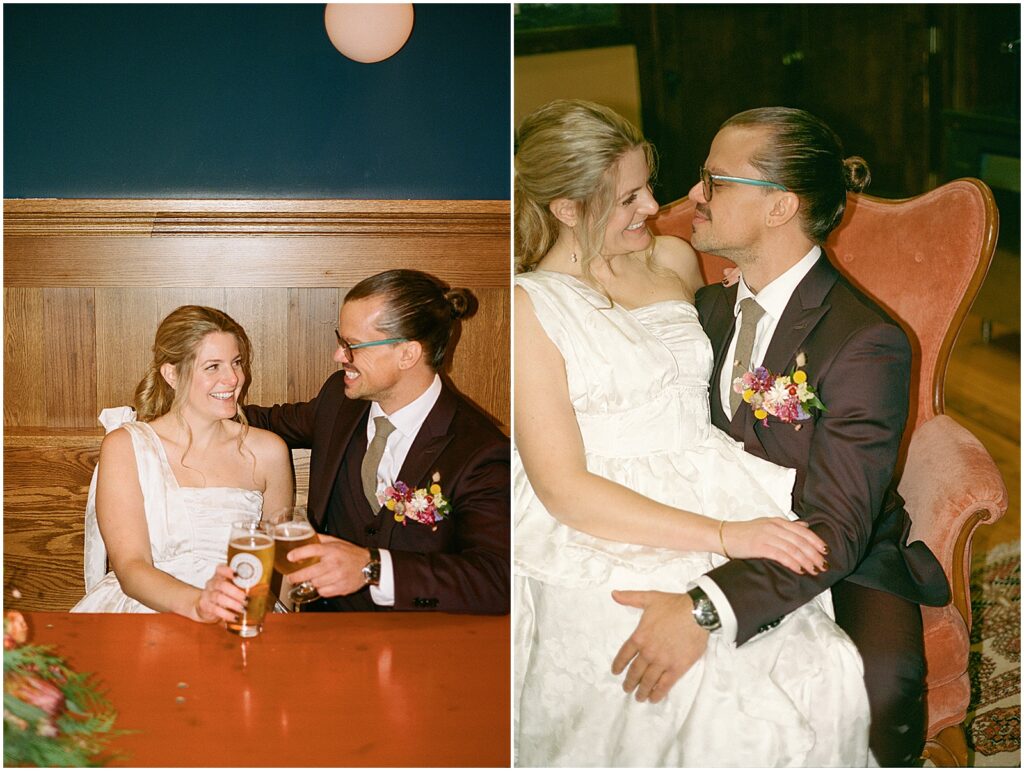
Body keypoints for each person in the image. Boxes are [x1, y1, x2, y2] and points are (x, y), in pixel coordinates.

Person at [514, 98, 869, 766]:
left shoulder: (674, 258)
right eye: (628, 198)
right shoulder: (530, 304)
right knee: (672, 691)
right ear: (566, 208)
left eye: (647, 184)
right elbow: (564, 489)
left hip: (715, 481)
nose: (654, 205)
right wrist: (727, 537)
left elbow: (715, 341)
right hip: (599, 522)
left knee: (803, 664)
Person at [611, 107, 950, 766]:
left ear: (778, 208)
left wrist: (707, 609)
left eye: (715, 180)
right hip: (707, 528)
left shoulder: (864, 341)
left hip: (841, 552)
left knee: (878, 688)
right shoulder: (704, 313)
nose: (695, 197)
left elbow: (839, 525)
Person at [244, 269, 509, 614]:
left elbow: (496, 578)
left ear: (407, 354)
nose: (339, 356)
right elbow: (260, 421)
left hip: (419, 645)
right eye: (342, 341)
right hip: (323, 633)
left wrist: (374, 568)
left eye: (352, 346)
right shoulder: (337, 402)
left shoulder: (478, 450)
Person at [73, 305, 294, 624]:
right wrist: (200, 604)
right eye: (212, 366)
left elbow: (278, 565)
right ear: (171, 374)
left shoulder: (268, 451)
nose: (233, 378)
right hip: (148, 612)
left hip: (242, 613)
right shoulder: (127, 446)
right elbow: (131, 567)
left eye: (236, 363)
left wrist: (281, 625)